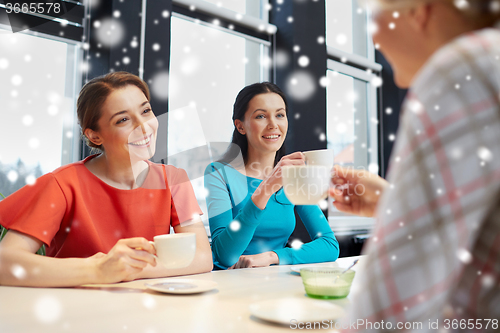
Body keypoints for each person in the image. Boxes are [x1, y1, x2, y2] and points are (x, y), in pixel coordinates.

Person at [330, 0, 500, 330]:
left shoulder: (466, 69)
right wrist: (395, 204)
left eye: (373, 16)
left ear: (418, 10)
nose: (375, 40)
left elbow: (388, 315)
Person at [0, 72, 213, 287]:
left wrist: (127, 270)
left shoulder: (174, 179)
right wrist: (98, 270)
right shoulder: (62, 184)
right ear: (94, 136)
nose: (143, 126)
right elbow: (4, 263)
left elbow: (202, 257)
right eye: (123, 120)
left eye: (146, 111)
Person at [204, 82, 339, 270]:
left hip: (275, 282)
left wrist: (272, 256)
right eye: (261, 116)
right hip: (230, 284)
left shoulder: (294, 177)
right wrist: (266, 189)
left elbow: (329, 245)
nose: (273, 124)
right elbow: (225, 255)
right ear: (240, 126)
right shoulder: (218, 173)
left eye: (280, 115)